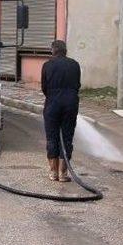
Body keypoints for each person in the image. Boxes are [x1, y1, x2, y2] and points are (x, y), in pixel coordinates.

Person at [41, 40, 81, 182]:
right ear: (65, 51)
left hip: (52, 104)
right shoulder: (75, 64)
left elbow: (44, 88)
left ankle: (53, 173)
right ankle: (64, 174)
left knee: (52, 137)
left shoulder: (47, 65)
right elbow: (77, 85)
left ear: (53, 50)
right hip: (70, 104)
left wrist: (53, 97)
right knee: (67, 137)